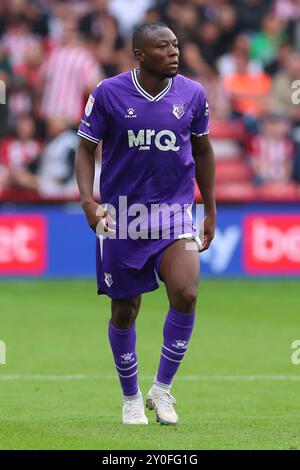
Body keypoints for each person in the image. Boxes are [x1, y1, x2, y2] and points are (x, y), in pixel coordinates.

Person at [75, 23, 216, 425]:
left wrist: (210, 210)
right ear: (140, 54)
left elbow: (204, 152)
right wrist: (89, 201)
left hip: (174, 215)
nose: (174, 52)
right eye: (163, 47)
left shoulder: (193, 94)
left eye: (176, 45)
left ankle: (163, 390)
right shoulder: (108, 93)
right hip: (122, 218)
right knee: (125, 311)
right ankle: (131, 396)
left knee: (186, 293)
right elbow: (84, 149)